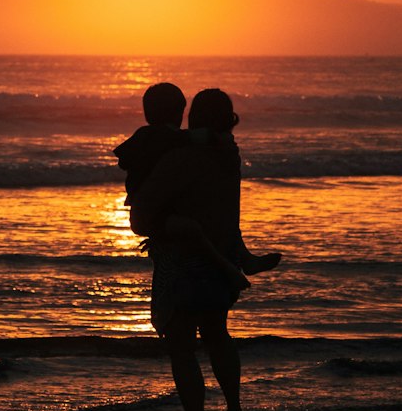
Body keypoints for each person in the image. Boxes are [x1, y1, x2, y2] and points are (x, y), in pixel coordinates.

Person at [130, 88, 254, 411]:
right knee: (218, 335)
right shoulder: (229, 155)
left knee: (182, 347)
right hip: (220, 256)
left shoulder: (180, 158)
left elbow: (144, 212)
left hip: (182, 262)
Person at [115, 82, 280, 284]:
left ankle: (242, 261)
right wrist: (215, 138)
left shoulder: (172, 147)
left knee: (190, 228)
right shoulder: (172, 141)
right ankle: (236, 263)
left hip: (183, 270)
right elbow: (192, 137)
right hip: (203, 265)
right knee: (191, 227)